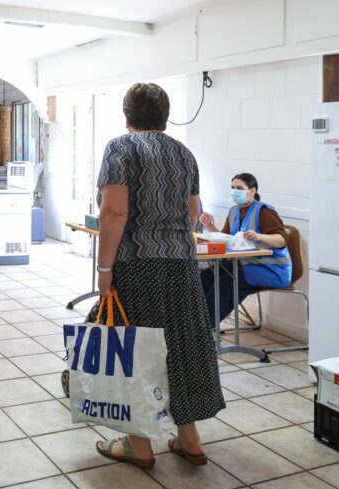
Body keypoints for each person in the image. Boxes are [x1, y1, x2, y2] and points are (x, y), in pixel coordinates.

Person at [94, 83, 225, 468]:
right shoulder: (183, 153)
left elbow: (114, 212)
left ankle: (139, 444)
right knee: (182, 346)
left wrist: (104, 269)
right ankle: (190, 439)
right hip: (181, 263)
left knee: (137, 348)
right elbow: (193, 210)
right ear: (165, 115)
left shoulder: (121, 148)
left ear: (127, 115)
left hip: (137, 263)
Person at [198, 173, 292, 327]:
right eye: (233, 188)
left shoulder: (265, 212)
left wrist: (259, 236)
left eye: (240, 188)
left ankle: (203, 329)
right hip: (245, 264)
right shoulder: (234, 211)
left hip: (272, 269)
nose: (235, 191)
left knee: (227, 282)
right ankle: (192, 322)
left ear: (252, 191)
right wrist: (209, 226)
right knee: (208, 275)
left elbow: (281, 240)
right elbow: (228, 239)